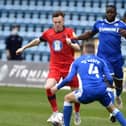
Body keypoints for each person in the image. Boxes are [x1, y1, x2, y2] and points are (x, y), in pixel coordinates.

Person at [16, 11, 81, 125]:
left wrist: (70, 43)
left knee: (75, 92)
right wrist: (23, 48)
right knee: (48, 87)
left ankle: (77, 113)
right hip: (55, 66)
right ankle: (56, 113)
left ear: (63, 21)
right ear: (52, 22)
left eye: (59, 22)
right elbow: (37, 41)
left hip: (69, 67)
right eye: (55, 22)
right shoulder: (48, 33)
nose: (57, 24)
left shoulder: (70, 32)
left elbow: (78, 48)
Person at [51, 42, 126, 126]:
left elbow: (68, 78)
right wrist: (107, 88)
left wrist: (56, 87)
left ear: (83, 50)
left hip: (87, 92)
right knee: (113, 109)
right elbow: (109, 78)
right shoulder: (101, 61)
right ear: (94, 51)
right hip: (101, 90)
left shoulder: (77, 61)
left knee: (67, 98)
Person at [72, 5, 126, 112]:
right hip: (103, 59)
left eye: (111, 12)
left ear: (115, 13)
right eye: (108, 12)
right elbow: (89, 34)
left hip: (116, 59)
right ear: (106, 13)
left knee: (119, 83)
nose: (109, 14)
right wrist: (76, 38)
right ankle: (113, 112)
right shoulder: (99, 24)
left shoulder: (121, 25)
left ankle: (118, 96)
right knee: (108, 83)